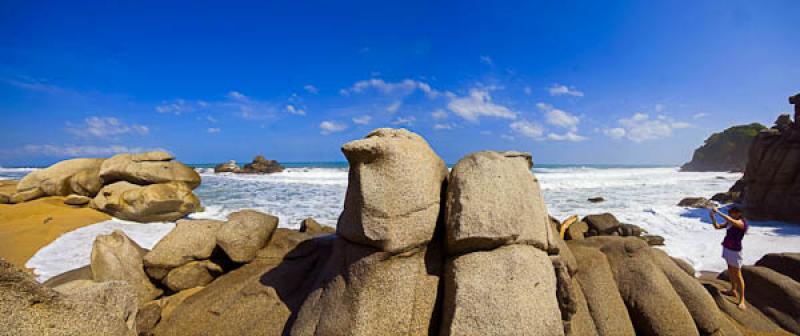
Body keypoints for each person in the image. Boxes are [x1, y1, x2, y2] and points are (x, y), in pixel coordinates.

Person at [709, 206, 748, 309]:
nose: (730, 214)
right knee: (730, 270)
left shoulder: (742, 223)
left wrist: (718, 212)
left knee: (738, 275)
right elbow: (717, 227)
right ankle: (733, 290)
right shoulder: (730, 222)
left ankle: (742, 299)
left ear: (739, 213)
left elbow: (730, 220)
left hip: (735, 251)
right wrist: (713, 217)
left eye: (732, 213)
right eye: (730, 212)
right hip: (727, 248)